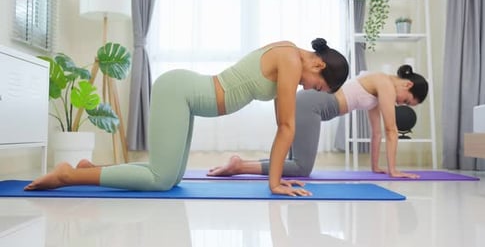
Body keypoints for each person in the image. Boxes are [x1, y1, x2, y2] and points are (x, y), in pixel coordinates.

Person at [24, 38, 349, 196]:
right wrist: (275, 184)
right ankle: (69, 175)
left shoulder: (290, 55)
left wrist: (276, 179)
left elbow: (284, 124)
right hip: (179, 91)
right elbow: (287, 126)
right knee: (161, 179)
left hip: (186, 97)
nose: (310, 88)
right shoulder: (292, 60)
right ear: (318, 65)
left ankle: (91, 169)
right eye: (318, 86)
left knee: (170, 177)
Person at [208, 64, 428, 179]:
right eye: (407, 102)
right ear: (407, 85)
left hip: (307, 104)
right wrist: (394, 171)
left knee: (291, 163)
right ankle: (239, 166)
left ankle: (240, 163)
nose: (402, 105)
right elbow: (392, 130)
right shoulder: (385, 84)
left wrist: (376, 167)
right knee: (301, 168)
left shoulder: (380, 87)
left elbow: (378, 133)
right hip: (311, 106)